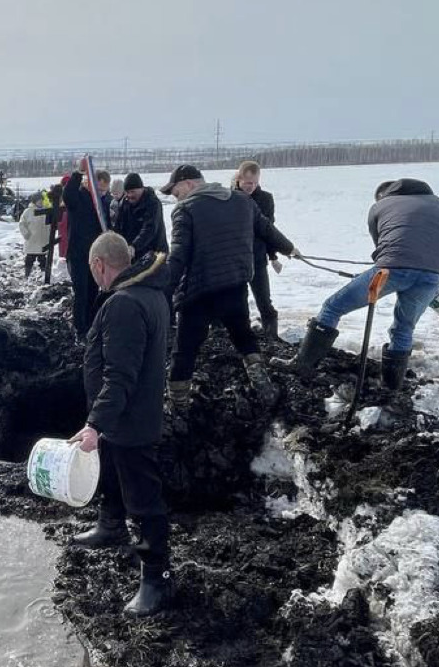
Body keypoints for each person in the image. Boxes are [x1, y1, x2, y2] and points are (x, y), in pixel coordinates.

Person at [285, 178, 439, 388]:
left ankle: (303, 366)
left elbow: (381, 246)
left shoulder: (378, 207)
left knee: (332, 307)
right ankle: (391, 387)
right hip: (433, 275)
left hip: (391, 269)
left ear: (383, 196)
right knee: (404, 328)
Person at [69, 232, 171, 617]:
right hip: (123, 417)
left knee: (144, 500)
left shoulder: (125, 305)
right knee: (111, 476)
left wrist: (95, 423)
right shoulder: (150, 292)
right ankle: (110, 525)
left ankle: (154, 579)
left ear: (98, 265)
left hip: (131, 420)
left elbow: (120, 376)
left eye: (91, 270)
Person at [159, 165, 299, 411]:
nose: (174, 197)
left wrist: (163, 293)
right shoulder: (242, 201)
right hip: (235, 284)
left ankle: (178, 405)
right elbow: (266, 229)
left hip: (198, 291)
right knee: (243, 335)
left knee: (185, 349)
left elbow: (179, 256)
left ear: (190, 184)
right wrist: (290, 249)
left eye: (176, 191)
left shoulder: (186, 210)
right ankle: (263, 387)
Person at [62, 160, 112, 339]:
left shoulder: (103, 203)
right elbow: (67, 195)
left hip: (96, 256)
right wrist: (78, 173)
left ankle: (91, 325)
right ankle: (80, 329)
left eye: (104, 190)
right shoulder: (79, 197)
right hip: (77, 254)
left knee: (93, 291)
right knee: (81, 292)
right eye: (98, 189)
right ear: (90, 184)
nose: (102, 193)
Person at [232, 161, 281, 340]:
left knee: (264, 302)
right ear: (239, 179)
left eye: (254, 183)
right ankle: (238, 337)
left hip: (257, 258)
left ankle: (271, 339)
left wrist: (273, 256)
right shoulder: (229, 197)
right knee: (235, 302)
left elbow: (269, 230)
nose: (250, 187)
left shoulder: (266, 199)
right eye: (247, 183)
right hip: (234, 260)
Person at [113, 173, 168, 260]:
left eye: (133, 192)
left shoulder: (152, 203)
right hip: (132, 254)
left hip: (154, 254)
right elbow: (119, 226)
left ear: (141, 189)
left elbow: (149, 229)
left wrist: (134, 246)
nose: (130, 195)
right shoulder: (124, 203)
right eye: (127, 192)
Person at [18, 191, 50, 279]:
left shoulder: (46, 210)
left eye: (41, 200)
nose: (40, 202)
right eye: (38, 200)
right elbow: (22, 224)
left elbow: (50, 224)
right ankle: (27, 274)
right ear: (34, 201)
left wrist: (50, 235)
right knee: (29, 258)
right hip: (32, 239)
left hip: (42, 239)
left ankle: (44, 275)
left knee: (43, 259)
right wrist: (26, 234)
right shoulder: (28, 212)